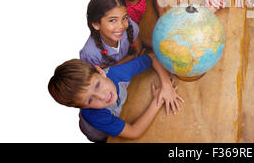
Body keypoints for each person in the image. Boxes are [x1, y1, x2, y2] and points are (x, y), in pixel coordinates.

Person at [48, 58, 184, 142]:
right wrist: (157, 101)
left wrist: (166, 85)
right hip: (98, 134)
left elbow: (151, 58)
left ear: (100, 71)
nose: (102, 96)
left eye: (97, 85)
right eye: (90, 100)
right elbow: (134, 132)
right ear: (81, 106)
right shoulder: (95, 115)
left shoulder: (117, 73)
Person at [80, 0, 144, 67]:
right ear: (96, 24)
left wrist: (112, 66)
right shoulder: (90, 54)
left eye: (124, 18)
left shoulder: (131, 26)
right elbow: (95, 77)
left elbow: (138, 51)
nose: (121, 26)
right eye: (112, 20)